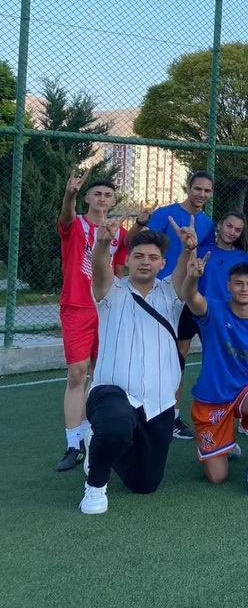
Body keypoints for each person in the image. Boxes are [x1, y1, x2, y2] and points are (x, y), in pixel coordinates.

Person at [78, 224, 185, 515]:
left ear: (162, 263)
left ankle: (101, 444)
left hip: (158, 401)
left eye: (153, 257)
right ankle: (95, 486)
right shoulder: (110, 290)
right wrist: (102, 244)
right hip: (112, 392)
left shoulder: (171, 293)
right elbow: (100, 268)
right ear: (127, 259)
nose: (145, 262)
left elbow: (184, 275)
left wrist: (189, 249)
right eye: (138, 256)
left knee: (145, 483)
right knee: (115, 426)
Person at [127, 170, 216, 441]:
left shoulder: (207, 223)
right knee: (148, 354)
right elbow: (142, 246)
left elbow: (204, 258)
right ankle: (138, 409)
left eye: (207, 190)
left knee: (178, 356)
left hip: (187, 297)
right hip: (160, 296)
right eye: (197, 188)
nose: (201, 194)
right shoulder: (166, 214)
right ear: (188, 188)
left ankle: (172, 416)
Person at [183, 254, 248, 495]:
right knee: (217, 477)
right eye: (238, 283)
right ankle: (224, 444)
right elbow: (191, 297)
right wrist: (192, 278)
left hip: (246, 391)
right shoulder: (213, 309)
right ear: (228, 285)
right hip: (213, 396)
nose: (244, 289)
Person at [55, 168, 128, 472]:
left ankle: (91, 434)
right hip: (77, 307)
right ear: (87, 197)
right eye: (96, 193)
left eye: (108, 195)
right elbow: (66, 215)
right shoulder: (75, 225)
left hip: (106, 309)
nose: (102, 198)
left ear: (113, 201)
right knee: (77, 373)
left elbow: (120, 270)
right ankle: (73, 443)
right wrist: (69, 194)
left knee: (102, 374)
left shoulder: (119, 232)